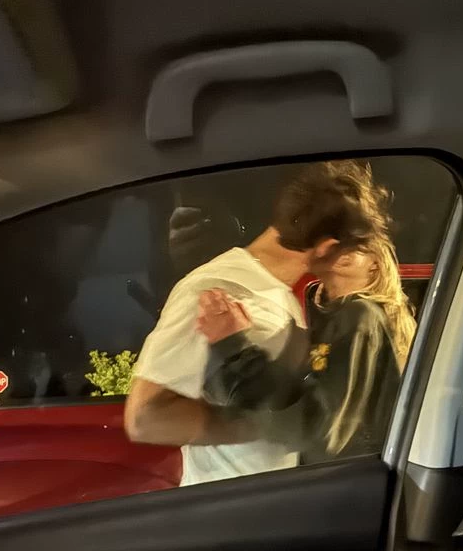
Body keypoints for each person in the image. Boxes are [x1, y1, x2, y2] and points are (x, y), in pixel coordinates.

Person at [125, 160, 387, 485]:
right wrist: (258, 425)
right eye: (351, 248)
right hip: (234, 505)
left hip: (277, 500)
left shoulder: (280, 294)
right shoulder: (214, 289)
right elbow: (145, 418)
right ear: (326, 247)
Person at [196, 231, 416, 463]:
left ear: (375, 265)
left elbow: (311, 424)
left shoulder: (359, 315)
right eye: (339, 242)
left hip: (340, 474)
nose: (342, 249)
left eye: (358, 246)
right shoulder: (334, 320)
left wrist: (233, 347)